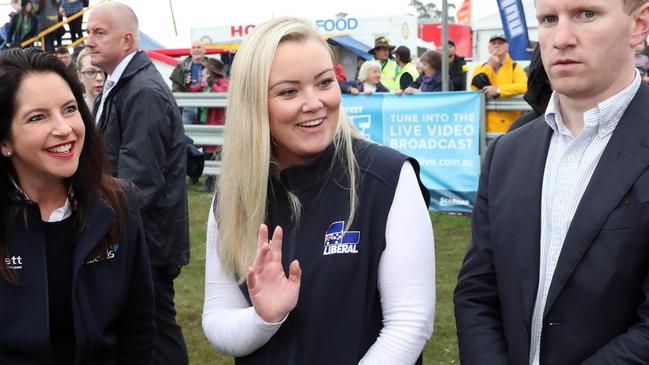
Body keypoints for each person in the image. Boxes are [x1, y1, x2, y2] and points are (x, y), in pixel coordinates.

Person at [201, 16, 435, 365]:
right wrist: (264, 318)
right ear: (253, 104)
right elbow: (218, 318)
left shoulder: (387, 178)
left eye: (324, 82)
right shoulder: (233, 196)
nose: (314, 103)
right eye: (289, 91)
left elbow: (410, 324)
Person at [454, 0, 649, 363]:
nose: (561, 38)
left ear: (639, 25)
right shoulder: (506, 154)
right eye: (548, 19)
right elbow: (477, 293)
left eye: (586, 14)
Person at [0, 47, 154, 364]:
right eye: (37, 117)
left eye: (70, 109)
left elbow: (138, 330)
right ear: (4, 141)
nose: (64, 128)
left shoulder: (119, 206)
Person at [86, 3, 190, 364]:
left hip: (147, 239)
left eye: (99, 33)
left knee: (158, 333)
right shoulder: (120, 84)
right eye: (88, 32)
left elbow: (138, 181)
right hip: (132, 233)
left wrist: (90, 216)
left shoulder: (143, 91)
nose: (89, 41)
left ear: (127, 39)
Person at [470, 33, 527, 132]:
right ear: (489, 48)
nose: (496, 45)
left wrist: (499, 90)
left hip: (510, 127)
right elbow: (475, 87)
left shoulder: (515, 67)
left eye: (500, 43)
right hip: (485, 127)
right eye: (493, 43)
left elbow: (523, 86)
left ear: (507, 47)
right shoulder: (479, 68)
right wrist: (489, 66)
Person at [189, 57, 229, 193]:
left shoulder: (223, 83)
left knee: (216, 154)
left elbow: (223, 94)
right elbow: (192, 90)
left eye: (206, 70)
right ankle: (209, 180)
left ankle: (213, 182)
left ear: (212, 72)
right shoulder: (207, 84)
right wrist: (203, 84)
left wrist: (213, 84)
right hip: (206, 122)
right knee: (206, 153)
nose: (203, 73)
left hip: (216, 124)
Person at [170, 39, 207, 125]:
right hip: (188, 106)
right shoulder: (181, 66)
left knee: (206, 135)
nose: (196, 49)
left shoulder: (211, 66)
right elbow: (175, 88)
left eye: (199, 47)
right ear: (190, 51)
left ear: (204, 50)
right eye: (194, 48)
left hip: (206, 107)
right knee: (185, 133)